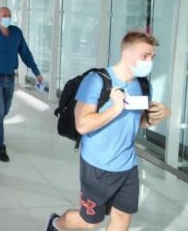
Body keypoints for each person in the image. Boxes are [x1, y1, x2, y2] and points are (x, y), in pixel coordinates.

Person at [46, 31, 171, 231]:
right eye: (145, 56)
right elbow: (82, 125)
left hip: (127, 164)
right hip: (97, 165)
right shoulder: (96, 81)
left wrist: (162, 114)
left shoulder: (143, 85)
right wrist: (115, 109)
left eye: (152, 57)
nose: (150, 62)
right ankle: (55, 223)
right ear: (127, 54)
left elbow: (138, 121)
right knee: (90, 222)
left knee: (122, 218)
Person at [0, 7, 44, 162]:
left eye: (9, 15)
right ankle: (0, 147)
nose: (7, 18)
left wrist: (36, 72)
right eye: (4, 15)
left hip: (10, 78)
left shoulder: (16, 33)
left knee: (4, 112)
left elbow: (25, 53)